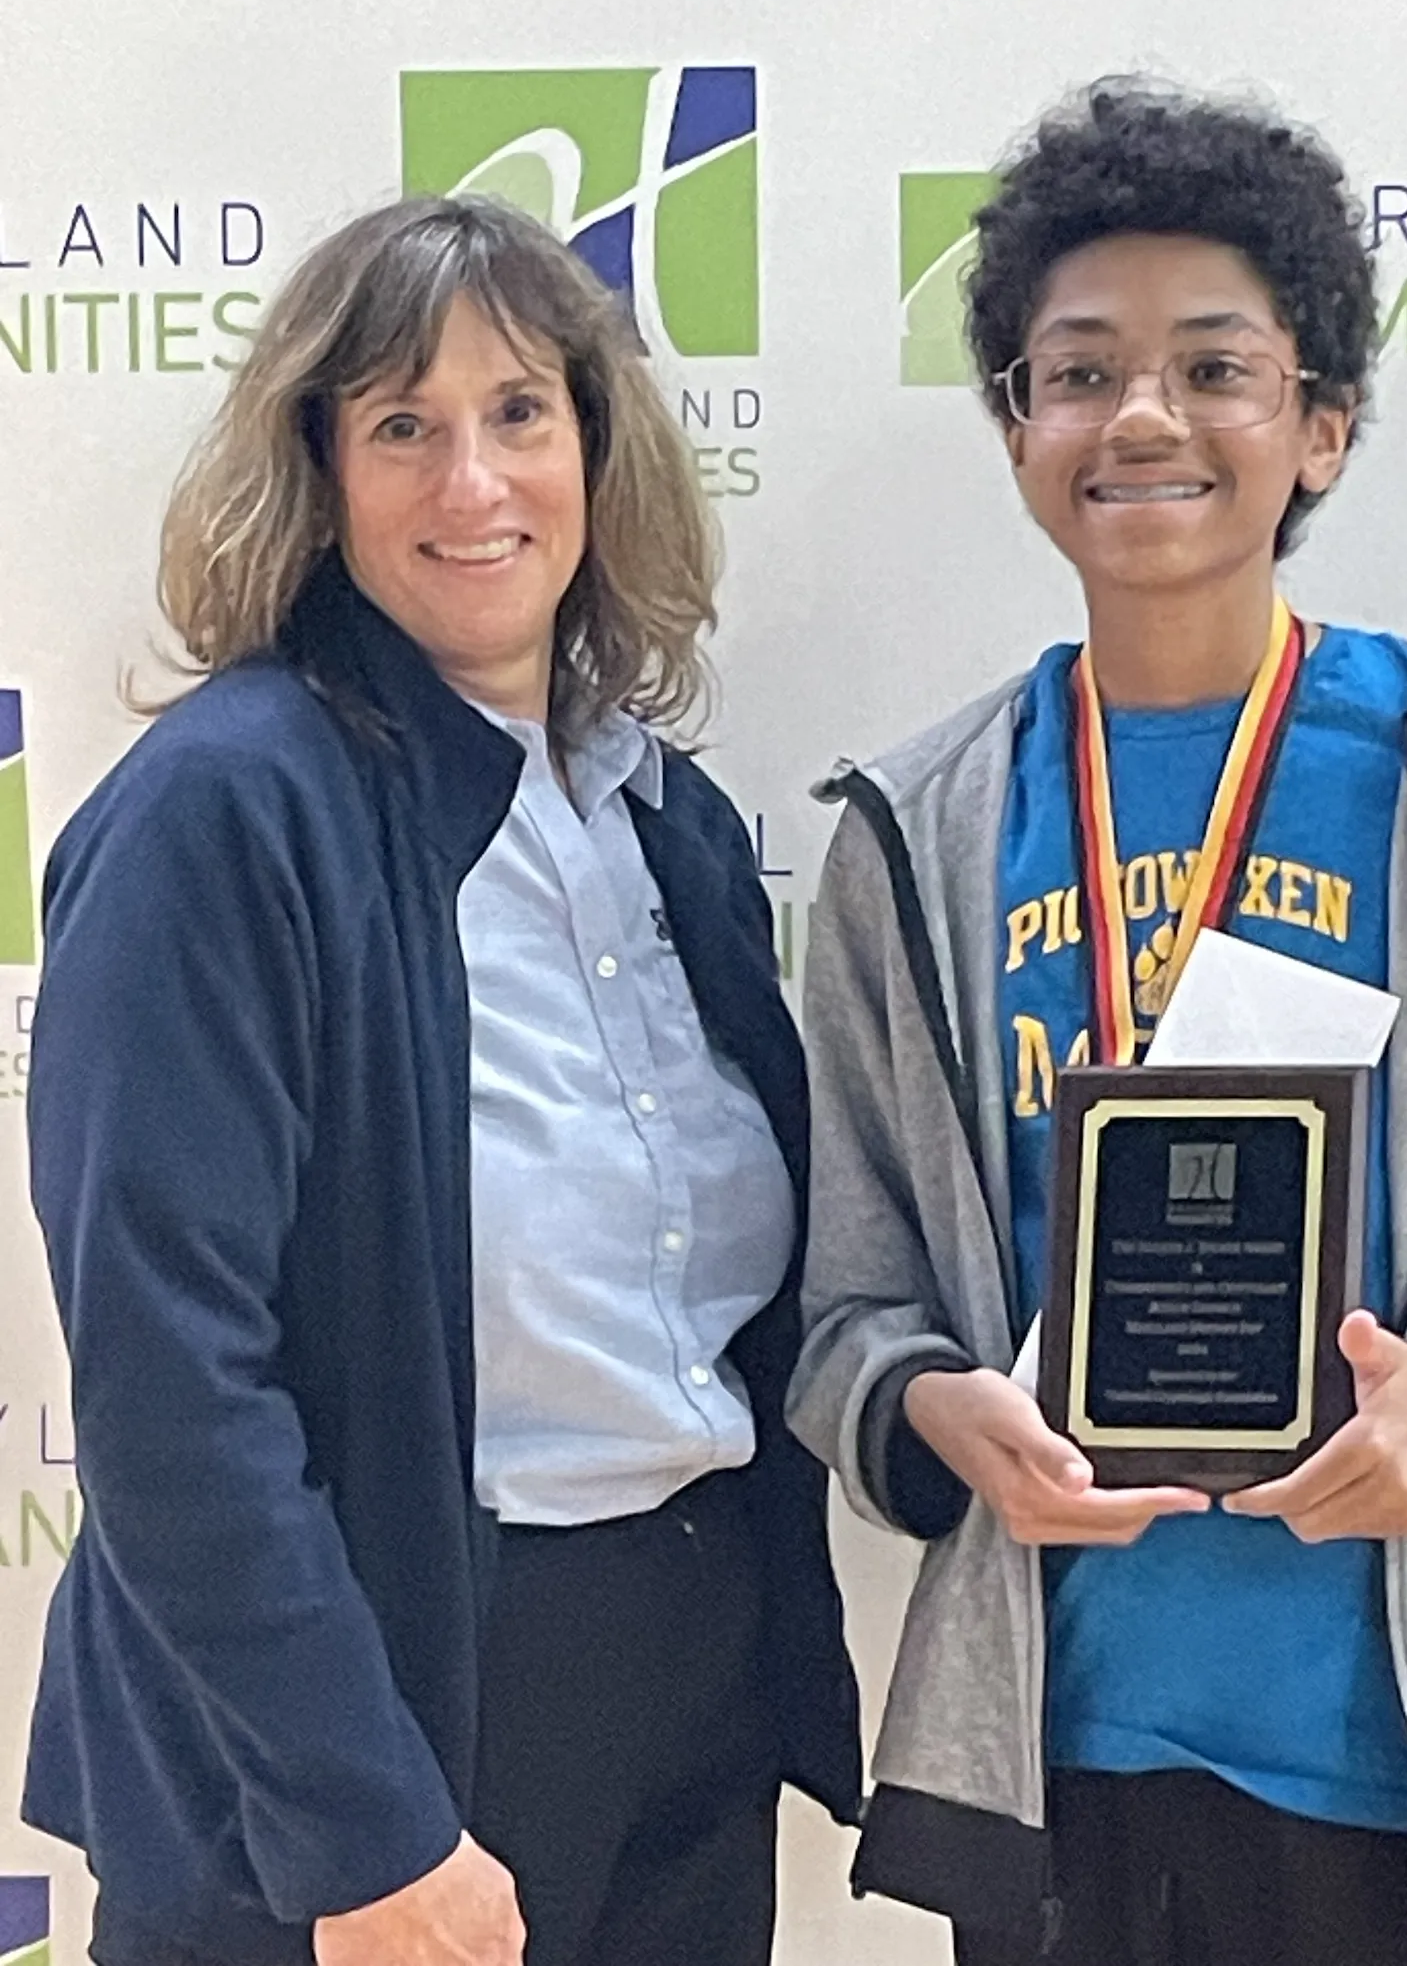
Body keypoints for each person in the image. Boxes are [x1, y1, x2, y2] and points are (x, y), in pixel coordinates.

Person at [787, 79, 1407, 1966]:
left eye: (1212, 366)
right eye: (1077, 371)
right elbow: (838, 1301)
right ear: (1016, 430)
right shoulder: (916, 836)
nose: (1140, 416)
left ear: (1318, 428)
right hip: (1071, 1768)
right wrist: (922, 1405)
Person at [22, 195, 859, 1966]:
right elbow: (175, 1379)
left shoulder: (664, 819)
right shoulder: (224, 811)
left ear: (595, 447)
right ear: (317, 474)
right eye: (403, 425)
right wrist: (362, 1822)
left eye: (519, 414)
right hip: (379, 1713)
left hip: (680, 1682)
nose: (472, 482)